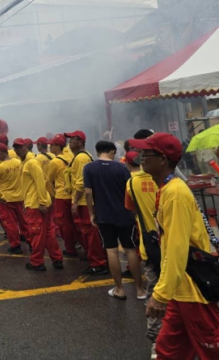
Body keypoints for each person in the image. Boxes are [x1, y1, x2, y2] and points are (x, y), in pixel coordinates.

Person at [130, 133, 219, 360]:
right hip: (181, 289)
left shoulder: (175, 193)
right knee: (168, 351)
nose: (140, 157)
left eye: (145, 153)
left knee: (217, 352)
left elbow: (177, 249)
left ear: (162, 159)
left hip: (191, 289)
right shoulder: (167, 189)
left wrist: (160, 294)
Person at [83, 141, 144, 300]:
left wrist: (91, 213)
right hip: (125, 215)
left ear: (97, 152)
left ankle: (119, 289)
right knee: (130, 249)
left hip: (104, 216)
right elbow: (130, 190)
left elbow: (88, 193)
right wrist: (134, 212)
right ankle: (140, 290)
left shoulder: (89, 168)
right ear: (113, 151)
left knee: (111, 251)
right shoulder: (121, 167)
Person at [123, 146, 161, 346]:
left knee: (154, 287)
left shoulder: (131, 183)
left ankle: (156, 334)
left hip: (149, 242)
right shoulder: (162, 179)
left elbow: (131, 209)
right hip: (168, 240)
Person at [18, 139, 63, 271]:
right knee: (48, 232)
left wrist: (42, 202)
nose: (17, 150)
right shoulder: (26, 162)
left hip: (36, 204)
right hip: (40, 202)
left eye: (20, 147)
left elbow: (41, 182)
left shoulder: (32, 163)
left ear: (27, 147)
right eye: (15, 147)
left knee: (36, 233)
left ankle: (37, 262)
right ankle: (57, 259)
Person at [69, 131, 108, 275]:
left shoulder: (81, 158)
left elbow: (81, 182)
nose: (70, 141)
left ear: (80, 142)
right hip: (87, 201)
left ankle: (98, 264)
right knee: (90, 233)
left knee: (90, 233)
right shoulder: (83, 156)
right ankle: (98, 260)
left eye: (73, 139)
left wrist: (75, 201)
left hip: (85, 202)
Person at [0, 143, 28, 254]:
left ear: (2, 153)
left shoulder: (1, 167)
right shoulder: (19, 163)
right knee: (24, 221)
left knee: (10, 223)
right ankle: (31, 242)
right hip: (20, 197)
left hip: (6, 199)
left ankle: (15, 245)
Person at [46, 134, 78, 257]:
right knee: (74, 222)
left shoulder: (55, 161)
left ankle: (70, 248)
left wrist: (51, 196)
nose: (49, 147)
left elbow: (50, 180)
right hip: (72, 194)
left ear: (57, 147)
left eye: (51, 145)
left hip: (61, 195)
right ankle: (76, 242)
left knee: (64, 224)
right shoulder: (70, 156)